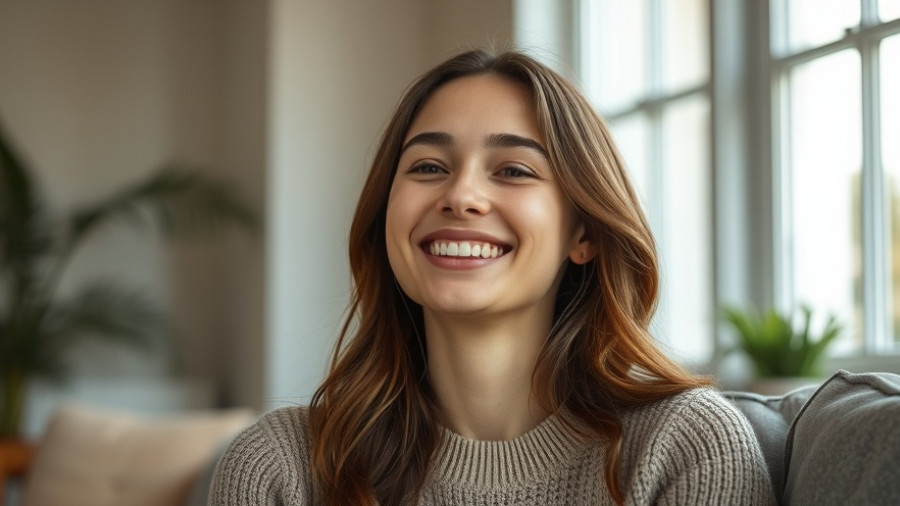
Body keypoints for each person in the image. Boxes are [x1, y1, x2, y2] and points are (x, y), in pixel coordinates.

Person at [209, 49, 775, 506]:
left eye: (513, 170)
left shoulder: (686, 447)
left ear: (585, 234)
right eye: (429, 167)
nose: (460, 196)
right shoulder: (280, 468)